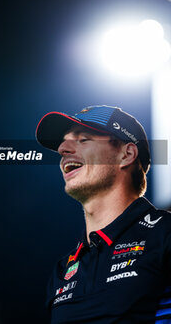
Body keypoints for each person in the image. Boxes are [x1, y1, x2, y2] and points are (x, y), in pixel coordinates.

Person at [36, 105, 171, 324]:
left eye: (83, 139)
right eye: (64, 141)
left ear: (126, 154)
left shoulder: (164, 233)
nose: (62, 148)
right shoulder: (62, 270)